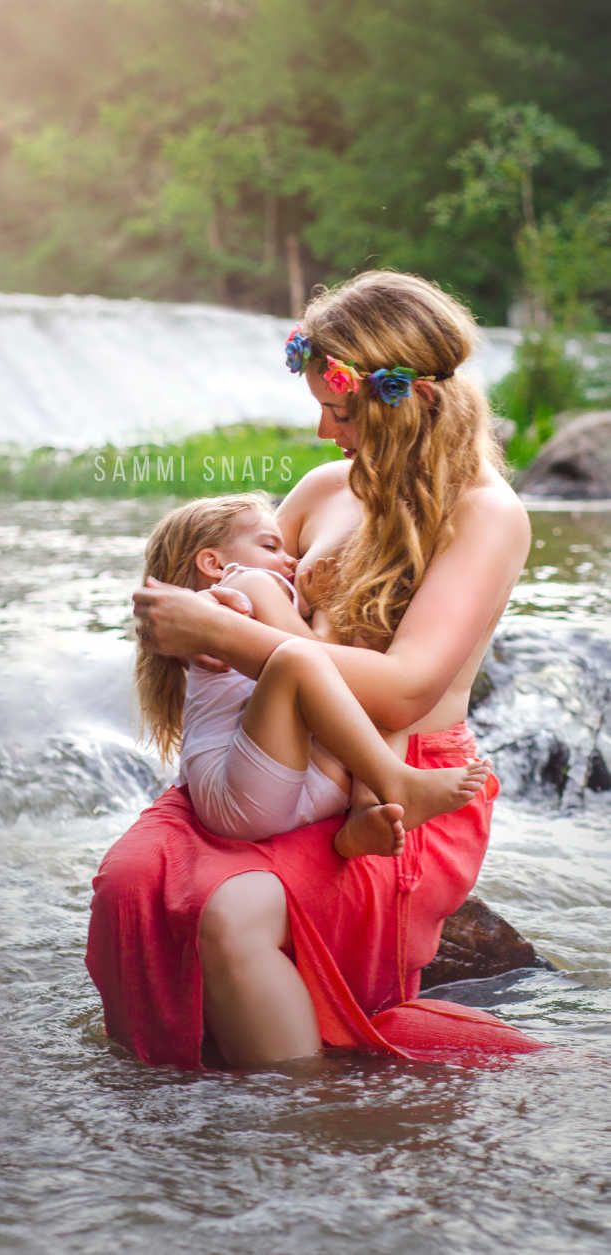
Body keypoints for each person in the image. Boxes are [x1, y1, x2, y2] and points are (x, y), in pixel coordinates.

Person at [86, 271, 544, 1070]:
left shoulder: (485, 514)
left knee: (232, 916)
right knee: (128, 878)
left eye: (341, 410)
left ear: (407, 401)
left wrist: (233, 640)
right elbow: (240, 595)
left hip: (393, 782)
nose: (327, 431)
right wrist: (191, 624)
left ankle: (302, 1117)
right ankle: (166, 1089)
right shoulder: (325, 488)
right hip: (273, 756)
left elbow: (408, 686)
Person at [136, 493, 488, 856]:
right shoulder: (245, 583)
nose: (290, 558)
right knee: (296, 658)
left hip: (281, 784)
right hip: (233, 787)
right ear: (213, 561)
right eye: (270, 545)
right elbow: (310, 653)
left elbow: (326, 670)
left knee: (376, 690)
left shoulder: (258, 595)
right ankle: (395, 782)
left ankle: (366, 815)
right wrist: (322, 608)